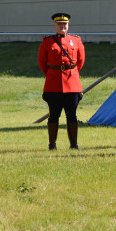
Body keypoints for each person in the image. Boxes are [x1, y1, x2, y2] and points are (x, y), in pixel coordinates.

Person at [38, 13, 85, 150]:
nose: (62, 26)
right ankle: (52, 144)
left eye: (64, 24)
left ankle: (74, 144)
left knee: (72, 115)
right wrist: (53, 73)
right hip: (54, 84)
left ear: (68, 25)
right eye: (59, 24)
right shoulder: (47, 42)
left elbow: (80, 62)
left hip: (72, 84)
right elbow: (42, 63)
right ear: (55, 25)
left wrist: (71, 72)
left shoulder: (76, 40)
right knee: (54, 115)